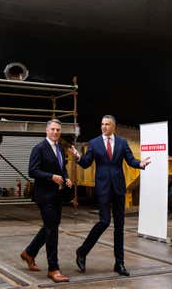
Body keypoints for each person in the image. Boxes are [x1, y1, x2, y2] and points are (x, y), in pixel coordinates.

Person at [69, 115, 151, 277]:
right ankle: (82, 251)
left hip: (119, 188)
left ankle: (119, 263)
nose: (104, 127)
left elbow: (130, 160)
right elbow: (86, 163)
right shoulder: (94, 143)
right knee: (104, 221)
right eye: (102, 124)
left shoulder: (122, 143)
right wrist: (78, 156)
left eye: (107, 124)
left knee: (119, 227)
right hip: (103, 189)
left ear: (114, 126)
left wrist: (140, 164)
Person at [21, 119, 72, 283]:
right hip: (44, 196)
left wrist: (66, 178)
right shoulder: (39, 148)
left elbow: (62, 168)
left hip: (57, 195)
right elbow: (32, 170)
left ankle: (29, 252)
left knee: (51, 227)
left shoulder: (59, 149)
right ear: (47, 130)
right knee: (52, 231)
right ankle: (53, 269)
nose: (56, 132)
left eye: (58, 130)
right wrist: (51, 177)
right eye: (53, 129)